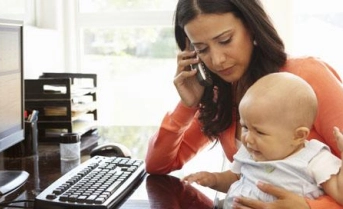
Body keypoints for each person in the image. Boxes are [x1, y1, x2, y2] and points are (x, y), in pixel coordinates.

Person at [144, 0, 343, 208]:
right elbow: (158, 164)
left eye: (225, 40)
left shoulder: (308, 76)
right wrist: (188, 105)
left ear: (252, 27)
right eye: (202, 49)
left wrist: (309, 207)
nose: (217, 60)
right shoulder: (219, 94)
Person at [182, 72, 343, 208]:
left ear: (298, 136)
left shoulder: (314, 159)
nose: (247, 138)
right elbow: (235, 178)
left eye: (259, 132)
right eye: (245, 127)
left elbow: (339, 192)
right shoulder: (250, 151)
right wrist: (214, 179)